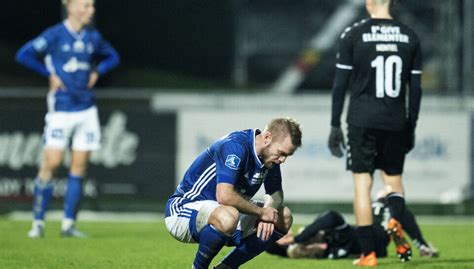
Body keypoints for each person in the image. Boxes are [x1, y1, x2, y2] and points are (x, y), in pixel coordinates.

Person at [327, 0, 423, 266]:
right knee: (393, 182)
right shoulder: (410, 36)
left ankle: (368, 254)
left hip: (361, 120)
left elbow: (339, 85)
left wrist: (335, 124)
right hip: (395, 120)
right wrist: (411, 125)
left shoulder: (353, 34)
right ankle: (394, 216)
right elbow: (415, 90)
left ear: (369, 2)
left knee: (362, 184)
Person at [15, 0, 120, 238]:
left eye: (92, 6)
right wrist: (49, 74)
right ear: (71, 7)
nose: (91, 10)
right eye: (86, 6)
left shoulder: (92, 37)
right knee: (51, 163)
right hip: (61, 109)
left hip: (86, 109)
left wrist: (98, 71)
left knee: (79, 167)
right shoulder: (54, 35)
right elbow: (24, 54)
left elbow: (113, 57)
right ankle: (38, 223)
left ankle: (68, 225)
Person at [164, 118, 302, 269]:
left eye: (287, 155)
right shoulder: (235, 146)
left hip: (224, 215)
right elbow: (224, 195)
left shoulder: (269, 158)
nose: (283, 160)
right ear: (267, 137)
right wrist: (261, 212)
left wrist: (268, 213)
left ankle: (226, 267)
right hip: (182, 211)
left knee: (283, 216)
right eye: (281, 153)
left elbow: (276, 194)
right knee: (228, 215)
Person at [266, 193, 439, 260]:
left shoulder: (322, 250)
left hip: (373, 244)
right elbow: (331, 216)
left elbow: (275, 249)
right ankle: (421, 244)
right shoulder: (332, 236)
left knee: (385, 205)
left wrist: (295, 241)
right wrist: (298, 238)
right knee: (389, 200)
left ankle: (402, 231)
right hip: (375, 234)